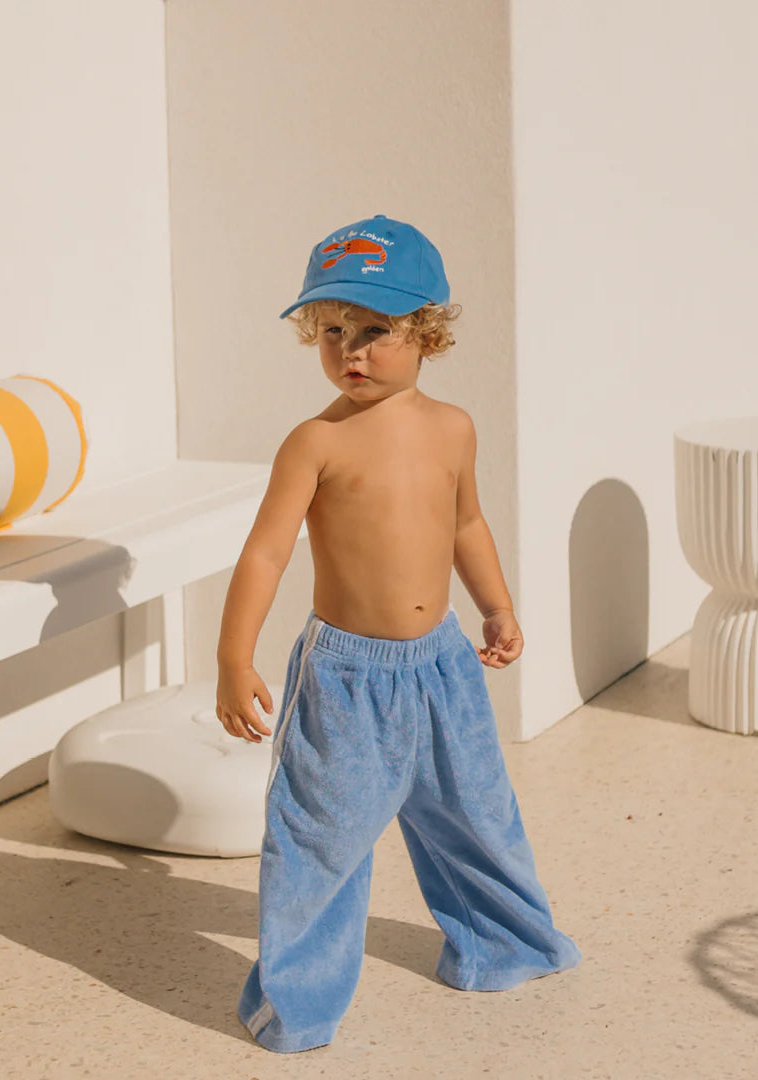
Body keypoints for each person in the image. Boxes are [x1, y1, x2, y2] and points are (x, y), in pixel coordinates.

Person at [215, 214, 581, 1054]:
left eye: (375, 330)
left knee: (476, 812)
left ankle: (505, 945)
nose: (352, 350)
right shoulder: (315, 442)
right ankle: (296, 1001)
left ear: (428, 333)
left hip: (443, 664)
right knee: (321, 838)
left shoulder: (453, 428)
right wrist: (235, 659)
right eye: (333, 329)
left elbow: (466, 524)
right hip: (346, 677)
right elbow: (266, 554)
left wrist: (495, 605)